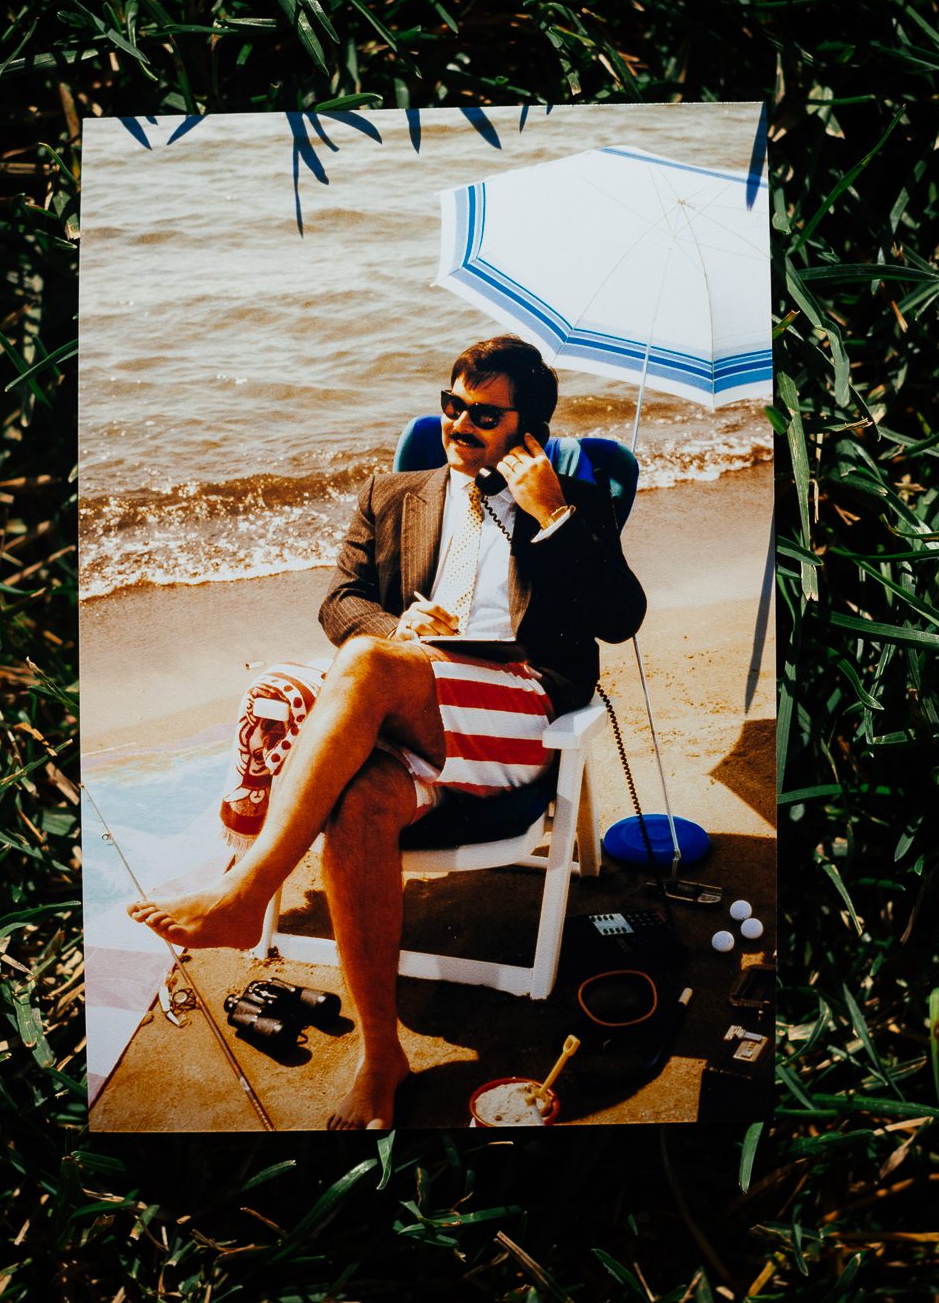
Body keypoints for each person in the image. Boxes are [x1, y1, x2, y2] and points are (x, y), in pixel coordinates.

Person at [129, 335, 645, 1128]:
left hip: (518, 707)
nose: (459, 422)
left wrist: (554, 515)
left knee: (364, 668)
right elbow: (339, 601)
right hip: (412, 702)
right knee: (361, 791)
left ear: (528, 428)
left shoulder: (574, 499)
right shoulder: (394, 492)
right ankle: (381, 1054)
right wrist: (398, 626)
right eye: (451, 405)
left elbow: (621, 618)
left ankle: (247, 891)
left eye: (483, 413)